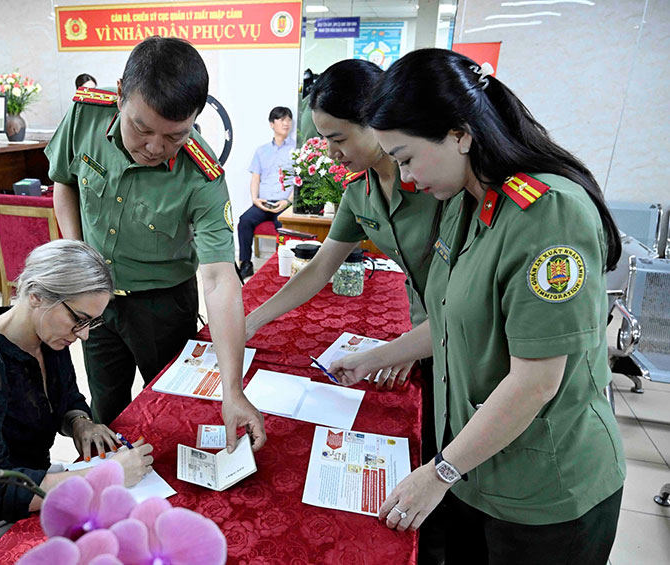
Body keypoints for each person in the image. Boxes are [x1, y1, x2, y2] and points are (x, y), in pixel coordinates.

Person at [332, 48, 625, 564]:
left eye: (406, 157)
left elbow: (535, 380)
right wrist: (371, 357)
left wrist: (439, 472)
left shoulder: (547, 213)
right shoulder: (461, 202)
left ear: (460, 133)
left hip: (544, 490)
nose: (404, 178)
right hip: (474, 469)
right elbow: (448, 318)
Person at [243, 59, 445, 565]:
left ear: (376, 119)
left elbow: (463, 301)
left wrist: (399, 347)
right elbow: (316, 270)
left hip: (449, 332)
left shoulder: (436, 184)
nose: (331, 152)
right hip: (427, 329)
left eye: (339, 138)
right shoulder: (360, 190)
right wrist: (251, 320)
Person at [47, 36, 266, 453]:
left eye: (174, 136)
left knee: (170, 410)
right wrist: (78, 264)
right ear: (119, 94)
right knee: (106, 409)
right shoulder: (84, 115)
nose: (154, 147)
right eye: (142, 128)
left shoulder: (202, 176)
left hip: (164, 307)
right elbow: (65, 183)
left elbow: (221, 279)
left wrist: (233, 390)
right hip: (95, 300)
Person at [0, 240, 154, 565]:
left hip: (30, 484)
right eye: (79, 319)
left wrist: (81, 423)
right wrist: (103, 474)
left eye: (92, 322)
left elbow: (67, 400)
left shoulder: (47, 339)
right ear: (36, 295)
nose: (85, 335)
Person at [237, 106, 295, 277]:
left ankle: (279, 266)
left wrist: (288, 201)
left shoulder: (296, 150)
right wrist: (255, 199)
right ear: (272, 124)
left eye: (289, 119)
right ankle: (246, 264)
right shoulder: (261, 151)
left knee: (283, 226)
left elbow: (299, 182)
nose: (286, 123)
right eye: (282, 119)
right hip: (263, 202)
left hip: (284, 204)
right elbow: (255, 178)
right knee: (245, 221)